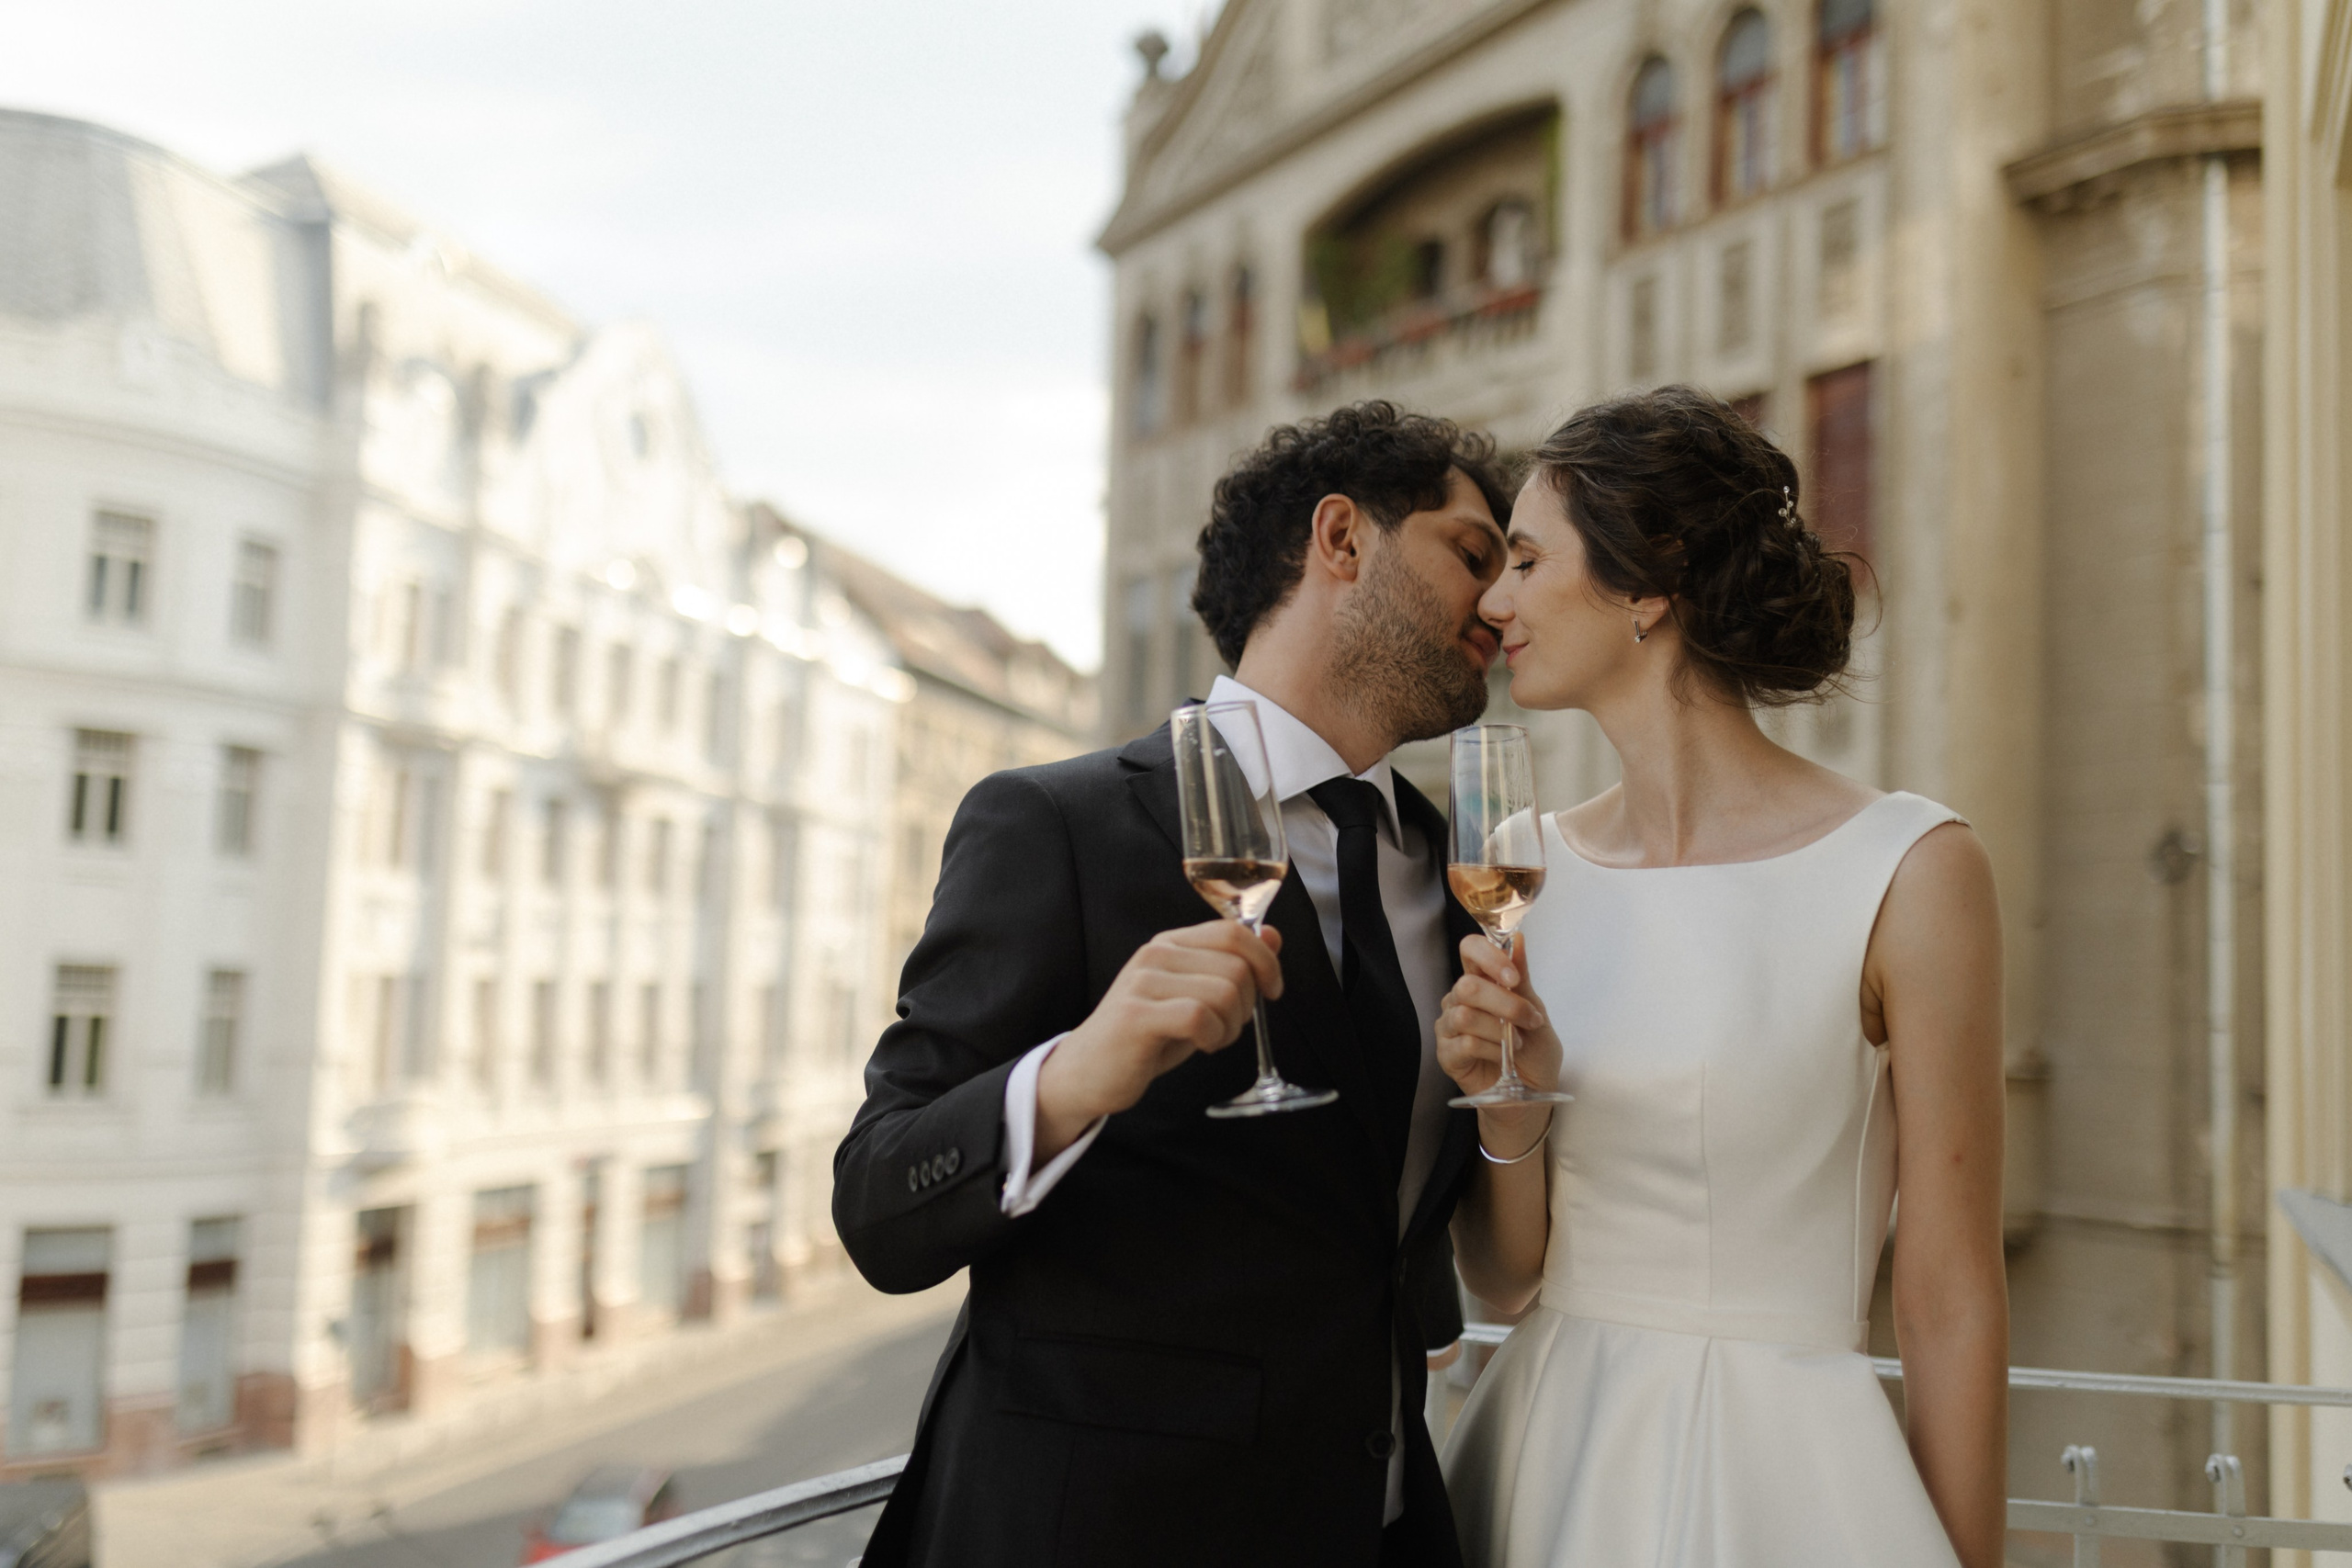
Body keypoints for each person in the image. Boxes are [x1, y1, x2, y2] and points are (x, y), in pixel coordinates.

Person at [833, 401, 1515, 1568]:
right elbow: (879, 1206)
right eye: (1472, 555)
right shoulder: (1056, 823)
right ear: (1340, 540)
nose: (1500, 605)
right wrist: (1071, 1077)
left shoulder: (1465, 875)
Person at [1436, 386, 2008, 1568]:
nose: (1495, 602)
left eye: (1529, 560)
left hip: (1791, 1475)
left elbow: (1948, 1291)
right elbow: (1500, 1280)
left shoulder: (1911, 868)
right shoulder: (1515, 867)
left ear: (1647, 586)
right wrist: (1509, 1103)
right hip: (1553, 1454)